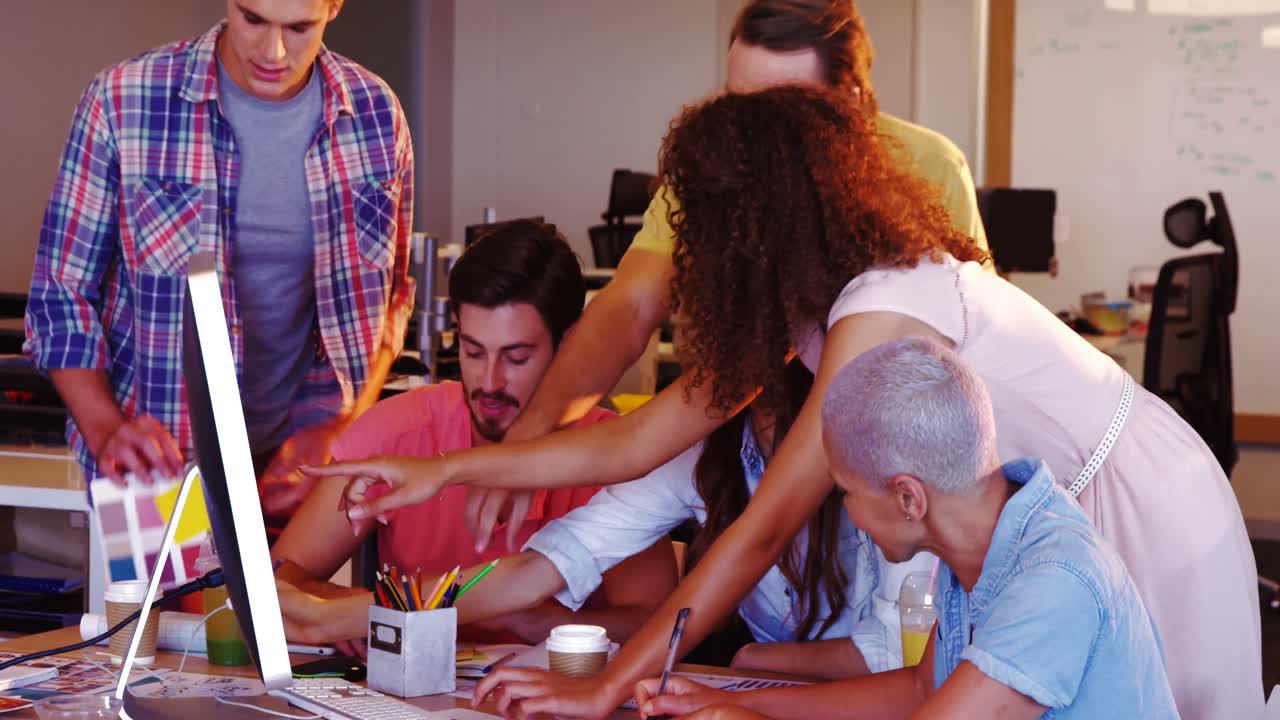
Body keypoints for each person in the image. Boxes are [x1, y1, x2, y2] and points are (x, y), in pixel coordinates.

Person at [321, 87, 1259, 719]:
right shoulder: (810, 312)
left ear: (755, 222)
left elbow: (764, 529)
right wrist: (434, 472)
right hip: (1022, 513)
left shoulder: (882, 306)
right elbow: (631, 443)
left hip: (1135, 501)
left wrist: (611, 685)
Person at [461, 0, 990, 554]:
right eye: (737, 105)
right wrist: (527, 437)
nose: (745, 137)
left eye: (778, 111)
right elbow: (631, 308)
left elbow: (968, 366)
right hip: (758, 441)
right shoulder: (717, 173)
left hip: (891, 475)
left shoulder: (930, 169)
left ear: (849, 106)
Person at [627, 338, 1178, 720]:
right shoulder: (991, 534)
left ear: (908, 497)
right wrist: (732, 701)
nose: (846, 513)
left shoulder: (1051, 580)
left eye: (846, 494)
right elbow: (920, 689)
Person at [23, 0, 413, 528]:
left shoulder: (375, 115)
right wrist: (105, 428)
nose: (273, 52)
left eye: (299, 27)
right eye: (253, 19)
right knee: (151, 614)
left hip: (304, 467)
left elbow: (389, 304)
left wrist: (343, 428)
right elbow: (60, 292)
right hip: (153, 460)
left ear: (334, 7)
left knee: (298, 613)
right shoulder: (123, 100)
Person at [271, 221, 676, 654]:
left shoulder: (613, 455)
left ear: (570, 346)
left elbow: (662, 626)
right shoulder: (398, 429)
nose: (490, 382)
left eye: (517, 357)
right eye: (472, 351)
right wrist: (356, 608)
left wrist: (543, 621)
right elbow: (277, 579)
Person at [422, 360, 913, 678]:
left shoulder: (881, 457)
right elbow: (557, 557)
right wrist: (378, 611)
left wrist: (752, 660)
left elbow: (898, 656)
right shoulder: (707, 453)